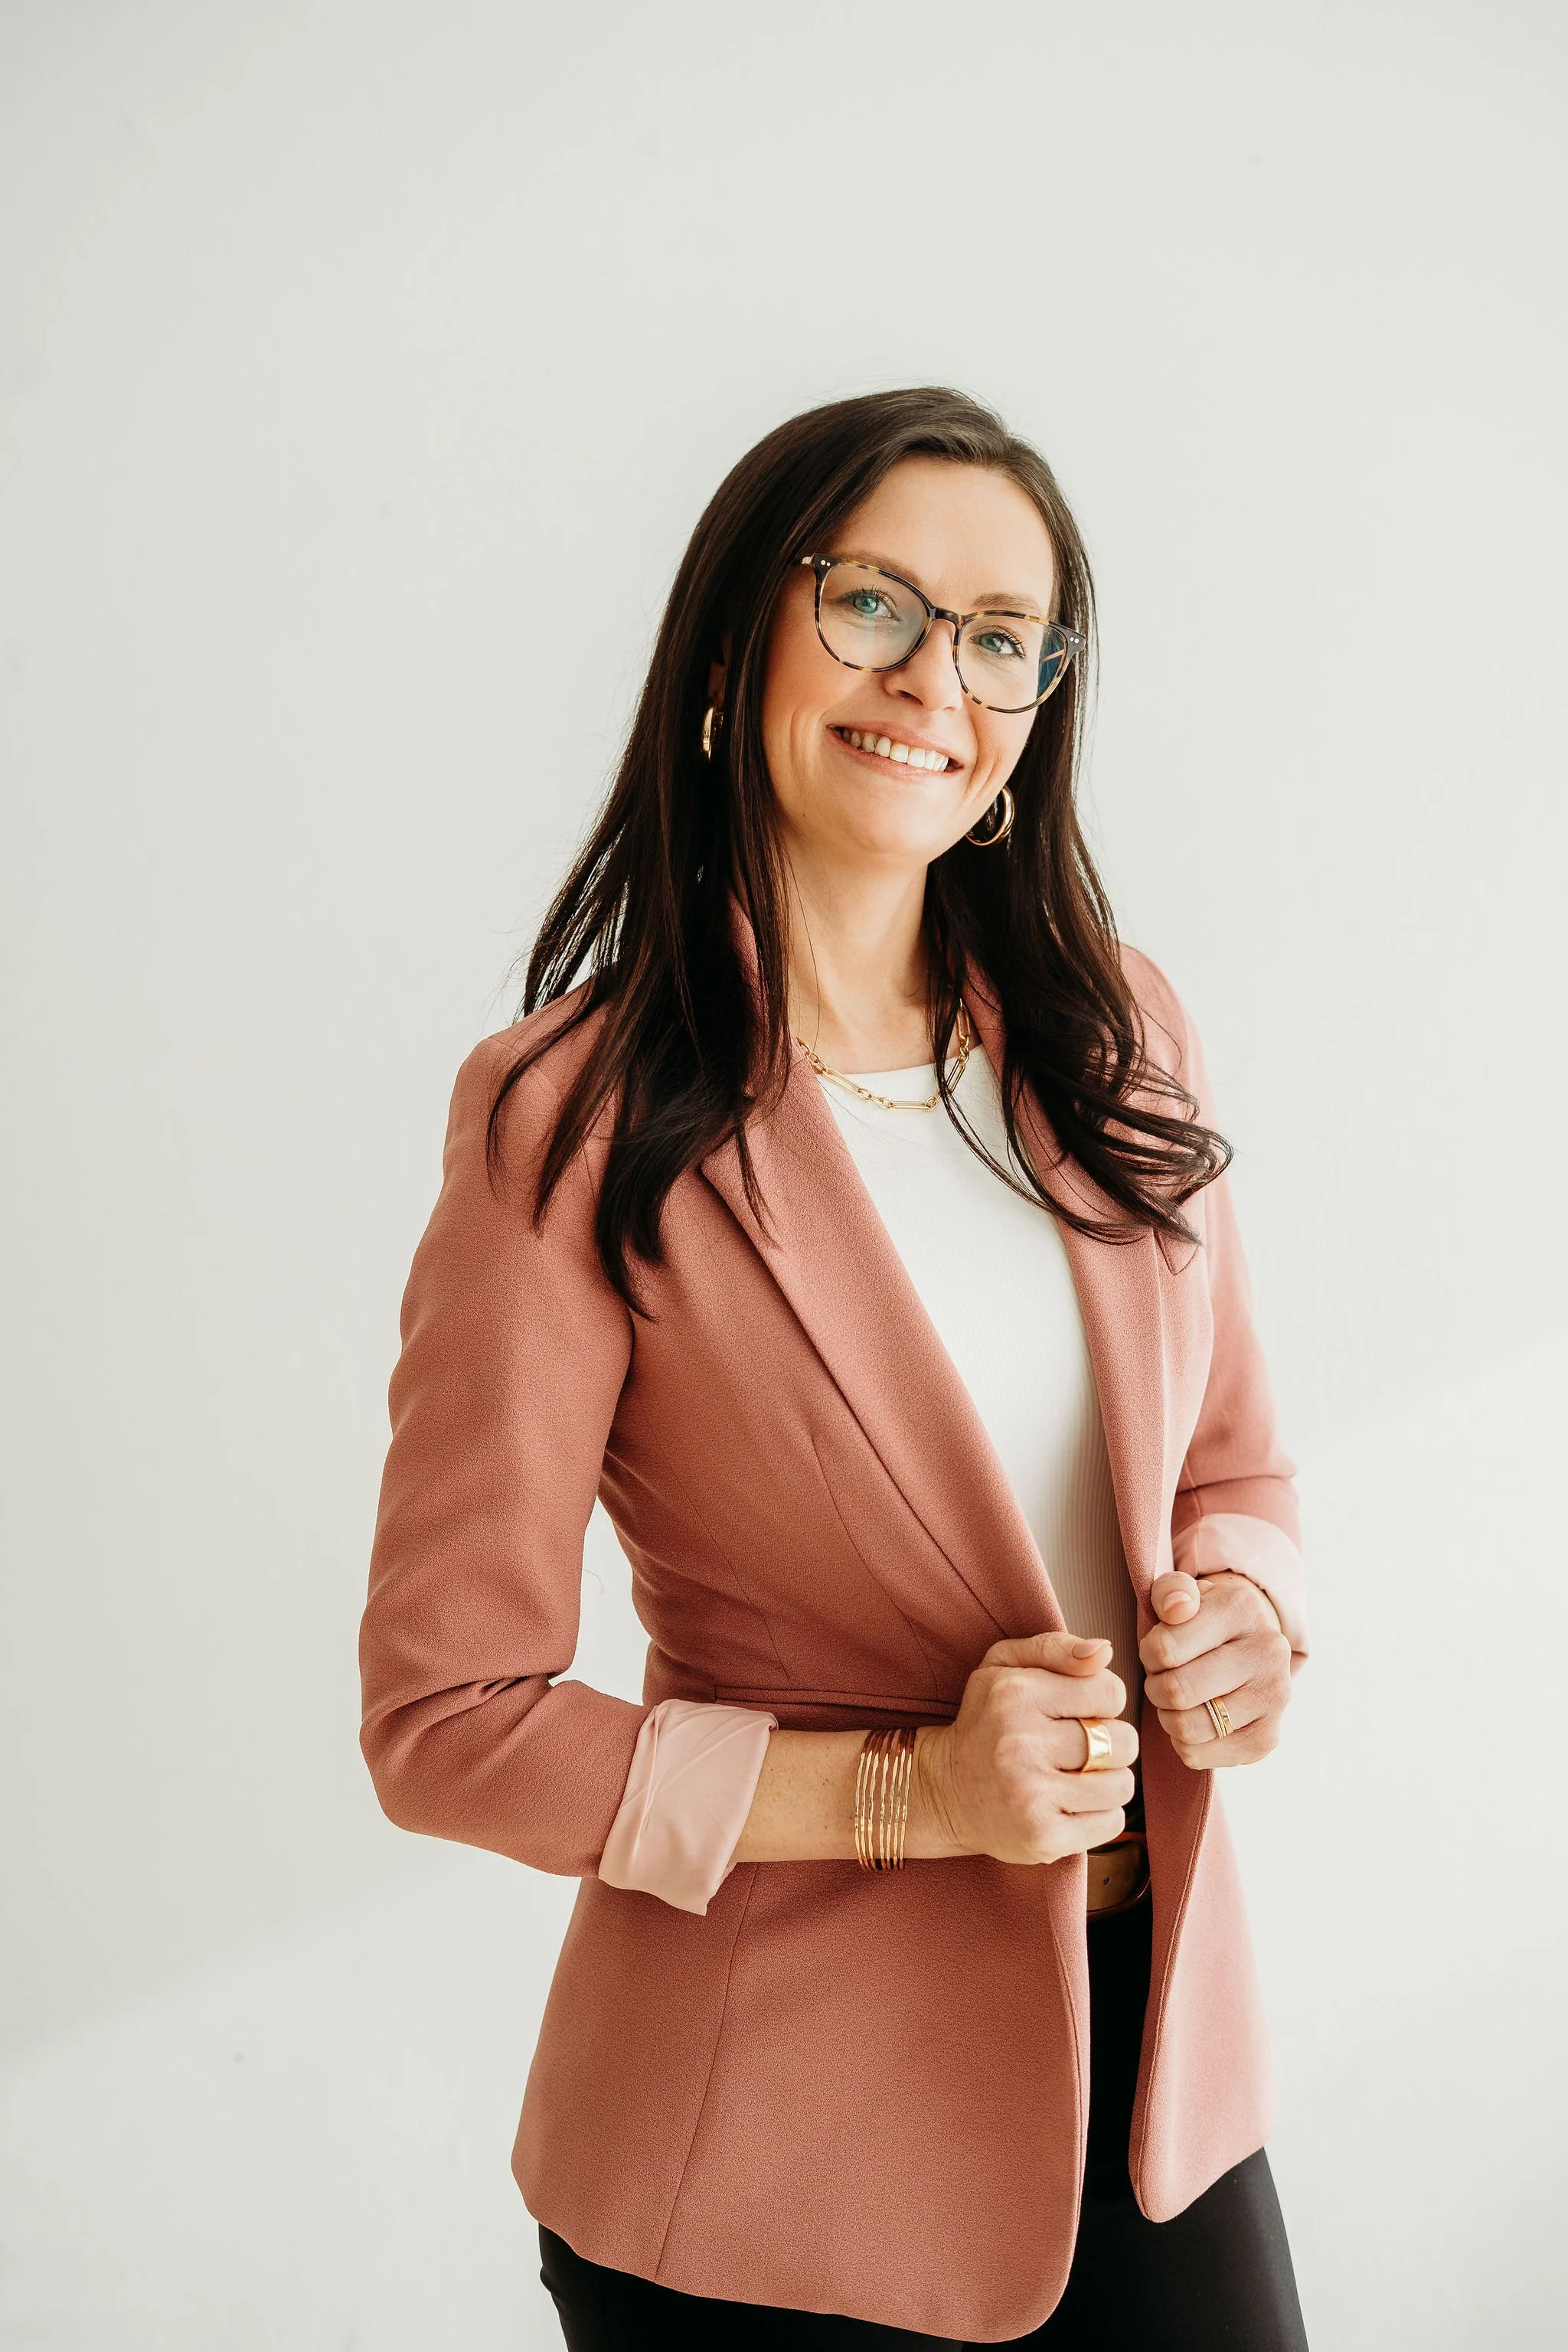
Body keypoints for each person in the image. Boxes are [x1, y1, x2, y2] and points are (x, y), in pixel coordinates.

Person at [358, 387, 1312, 2347]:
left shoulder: (1116, 1029)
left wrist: (1253, 1621)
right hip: (766, 2154)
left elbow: (1236, 1474)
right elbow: (446, 1717)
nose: (931, 681)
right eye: (871, 603)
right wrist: (913, 1795)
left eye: (996, 639)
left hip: (1158, 2084)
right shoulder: (570, 1117)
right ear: (735, 647)